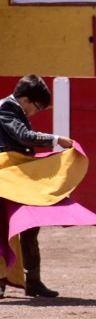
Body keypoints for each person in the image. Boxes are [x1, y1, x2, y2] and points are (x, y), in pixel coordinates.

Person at [0, 75, 74, 298]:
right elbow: (23, 137)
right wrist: (55, 139)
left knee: (30, 228)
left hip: (20, 178)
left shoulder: (16, 109)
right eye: (38, 107)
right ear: (25, 100)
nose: (36, 112)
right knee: (3, 229)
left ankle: (33, 280)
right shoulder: (6, 108)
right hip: (5, 178)